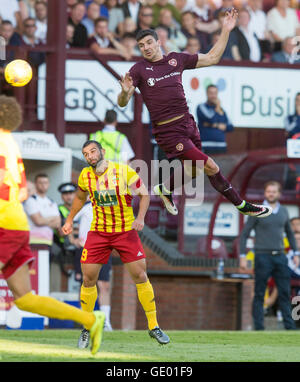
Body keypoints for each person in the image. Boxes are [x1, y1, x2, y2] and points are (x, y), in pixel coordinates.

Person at [117, 11, 273, 219]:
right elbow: (122, 102)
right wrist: (125, 93)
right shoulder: (138, 69)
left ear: (158, 42)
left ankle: (165, 189)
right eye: (141, 46)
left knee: (193, 170)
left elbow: (212, 57)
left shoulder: (176, 60)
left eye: (148, 43)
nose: (145, 48)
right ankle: (242, 205)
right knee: (210, 165)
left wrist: (225, 30)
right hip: (168, 131)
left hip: (188, 124)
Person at [0, 95, 104, 356]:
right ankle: (91, 320)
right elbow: (23, 192)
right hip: (17, 224)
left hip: (4, 225)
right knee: (24, 299)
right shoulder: (11, 143)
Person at [62, 140, 170, 347]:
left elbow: (145, 194)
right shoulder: (85, 175)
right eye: (86, 154)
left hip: (124, 232)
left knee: (140, 275)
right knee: (88, 279)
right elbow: (79, 198)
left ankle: (154, 326)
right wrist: (69, 220)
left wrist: (140, 218)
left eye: (93, 151)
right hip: (99, 233)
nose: (90, 156)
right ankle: (86, 328)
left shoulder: (123, 171)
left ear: (102, 152)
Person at [239, 180, 300, 330]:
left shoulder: (284, 211)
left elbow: (290, 234)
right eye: (268, 191)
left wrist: (296, 253)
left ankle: (290, 327)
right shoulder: (256, 210)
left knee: (285, 292)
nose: (271, 194)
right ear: (265, 193)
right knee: (259, 293)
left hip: (280, 256)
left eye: (274, 191)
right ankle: (259, 328)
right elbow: (244, 234)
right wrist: (242, 255)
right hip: (262, 256)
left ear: (279, 194)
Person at [74, 198, 114, 331]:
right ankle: (86, 319)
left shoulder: (111, 205)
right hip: (86, 248)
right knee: (87, 284)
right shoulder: (84, 206)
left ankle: (106, 321)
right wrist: (73, 239)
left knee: (104, 285)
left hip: (103, 249)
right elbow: (68, 222)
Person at [196, 84, 233, 154]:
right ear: (206, 94)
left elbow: (230, 127)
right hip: (206, 146)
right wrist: (218, 108)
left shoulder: (222, 111)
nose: (213, 96)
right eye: (211, 93)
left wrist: (215, 125)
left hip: (221, 147)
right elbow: (210, 119)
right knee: (197, 164)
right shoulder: (201, 107)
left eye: (215, 93)